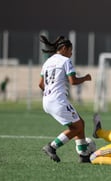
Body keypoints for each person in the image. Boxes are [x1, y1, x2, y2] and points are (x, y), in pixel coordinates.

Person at [38, 35, 92, 163]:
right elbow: (73, 81)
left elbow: (40, 85)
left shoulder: (47, 62)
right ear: (64, 48)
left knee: (80, 123)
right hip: (57, 101)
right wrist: (85, 78)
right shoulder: (65, 61)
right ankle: (52, 147)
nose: (71, 53)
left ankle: (84, 155)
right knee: (76, 127)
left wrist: (50, 92)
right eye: (70, 50)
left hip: (46, 101)